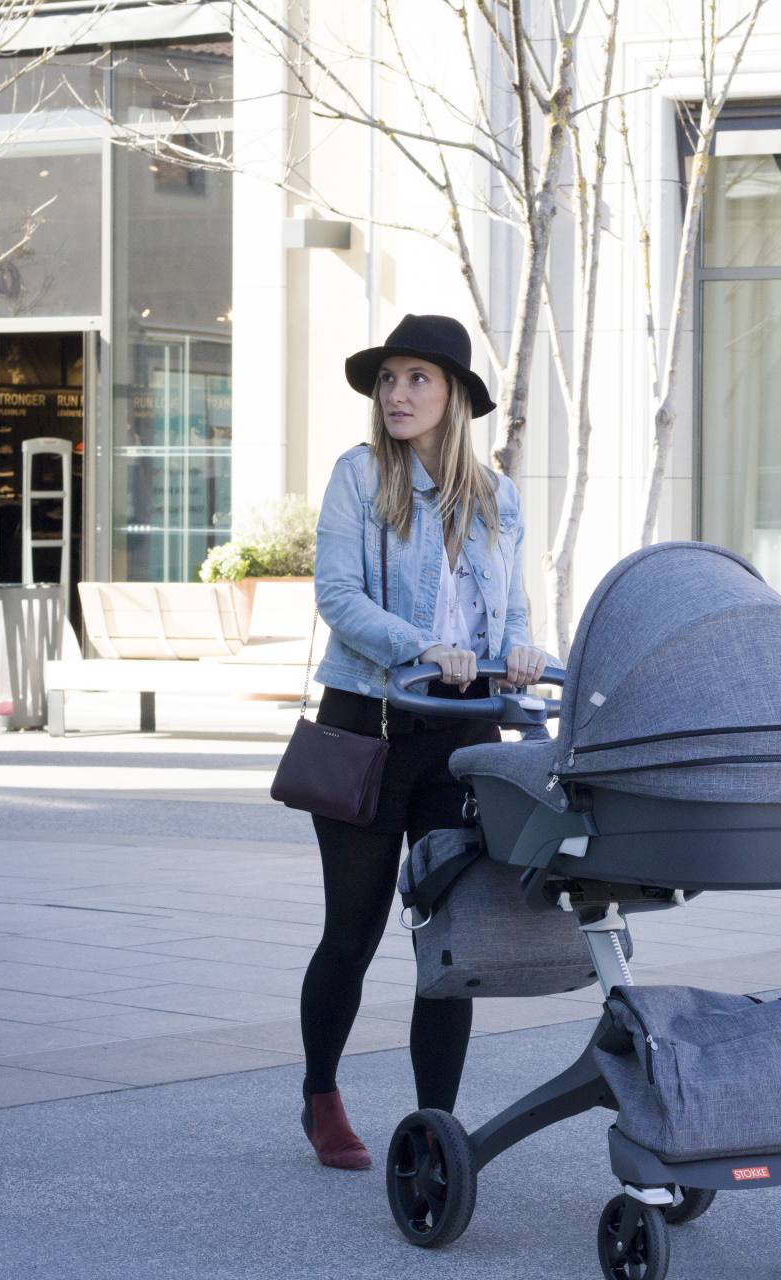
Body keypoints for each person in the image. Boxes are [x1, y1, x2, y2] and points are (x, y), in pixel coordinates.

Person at [298, 314, 551, 1170]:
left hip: (463, 741)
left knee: (451, 942)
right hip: (369, 726)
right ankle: (321, 1095)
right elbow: (336, 594)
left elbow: (509, 606)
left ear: (454, 399)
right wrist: (418, 647)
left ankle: (431, 1132)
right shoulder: (360, 478)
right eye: (390, 379)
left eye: (418, 380)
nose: (398, 394)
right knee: (354, 931)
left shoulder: (497, 496)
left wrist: (516, 648)